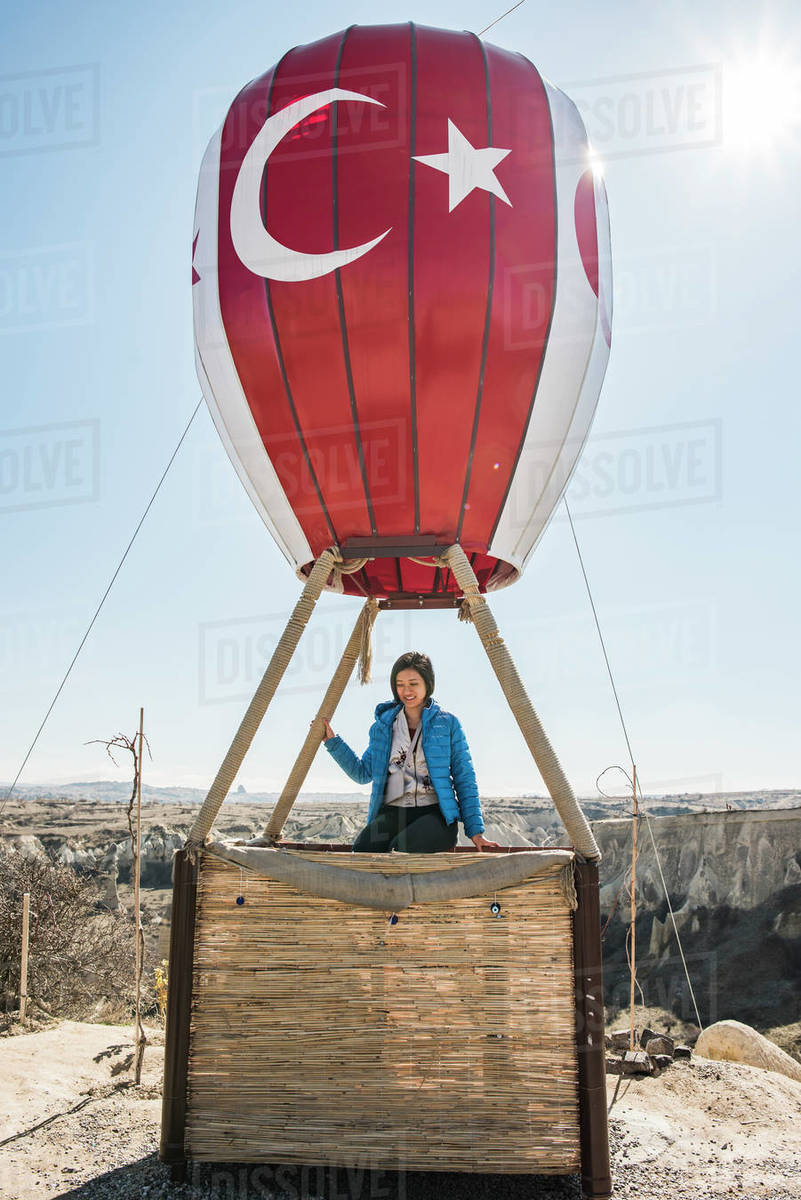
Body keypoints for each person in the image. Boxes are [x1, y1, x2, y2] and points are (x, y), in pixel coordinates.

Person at [319, 650, 499, 853]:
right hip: (393, 812)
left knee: (401, 849)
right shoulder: (383, 726)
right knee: (362, 850)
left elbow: (464, 778)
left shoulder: (448, 724)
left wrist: (476, 832)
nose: (406, 691)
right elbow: (362, 773)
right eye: (400, 684)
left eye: (413, 683)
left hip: (435, 815)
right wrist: (333, 743)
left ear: (427, 684)